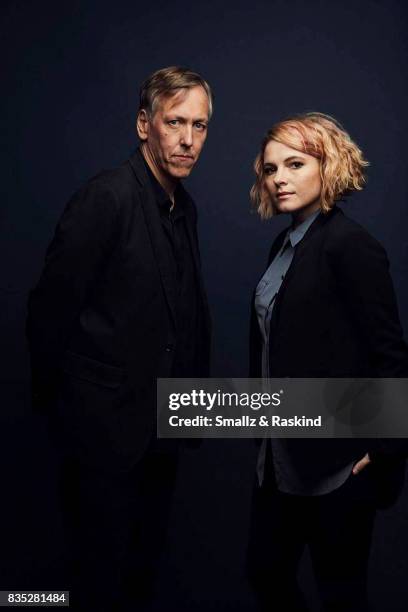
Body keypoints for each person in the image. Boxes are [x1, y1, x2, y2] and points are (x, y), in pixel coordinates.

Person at [26, 66, 212, 611]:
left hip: (161, 433)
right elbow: (48, 312)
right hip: (101, 436)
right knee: (95, 580)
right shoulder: (105, 198)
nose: (187, 140)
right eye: (174, 122)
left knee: (141, 575)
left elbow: (178, 316)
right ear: (143, 124)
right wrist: (66, 415)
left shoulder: (185, 208)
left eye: (200, 126)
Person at [247, 112, 408, 612]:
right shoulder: (284, 246)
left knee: (341, 595)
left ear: (329, 165)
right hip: (279, 459)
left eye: (295, 164)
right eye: (271, 169)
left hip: (335, 464)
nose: (279, 179)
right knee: (265, 574)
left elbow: (389, 354)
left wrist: (383, 453)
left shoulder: (351, 246)